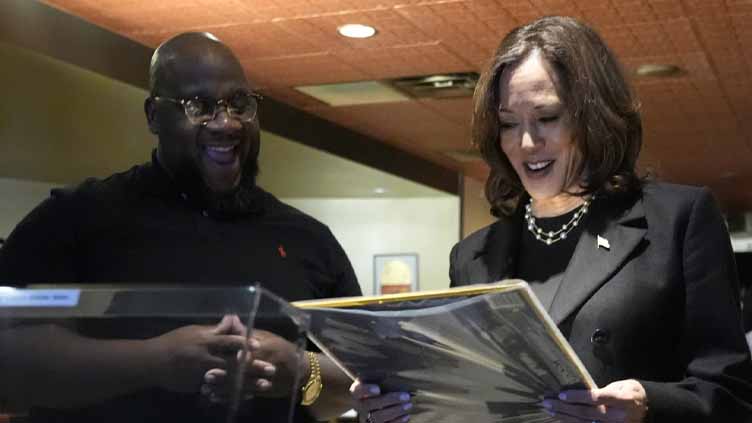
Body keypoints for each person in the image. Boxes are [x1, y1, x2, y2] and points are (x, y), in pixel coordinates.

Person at [353, 16, 752, 422]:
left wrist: (646, 404)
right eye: (509, 124)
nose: (527, 143)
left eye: (547, 118)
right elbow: (467, 396)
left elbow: (731, 396)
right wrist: (403, 405)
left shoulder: (678, 220)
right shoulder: (473, 256)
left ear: (594, 117)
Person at [0, 32, 361, 422]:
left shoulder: (309, 239)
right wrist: (154, 361)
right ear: (154, 115)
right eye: (198, 106)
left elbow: (362, 380)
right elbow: (12, 361)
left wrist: (302, 370)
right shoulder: (76, 218)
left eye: (239, 103)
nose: (226, 123)